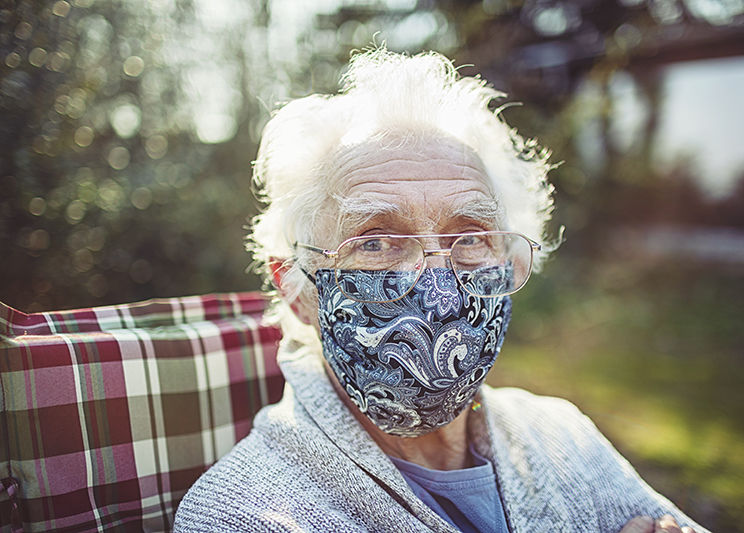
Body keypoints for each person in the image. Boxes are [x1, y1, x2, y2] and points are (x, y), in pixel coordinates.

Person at [174, 48, 710, 533]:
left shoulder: (559, 432)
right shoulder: (244, 512)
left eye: (471, 236)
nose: (442, 294)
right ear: (296, 289)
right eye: (377, 242)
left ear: (508, 261)